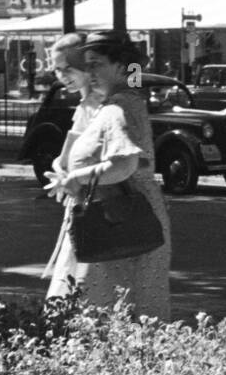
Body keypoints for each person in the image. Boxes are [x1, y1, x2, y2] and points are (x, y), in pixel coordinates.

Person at [41, 30, 171, 320]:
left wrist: (75, 179)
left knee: (104, 310)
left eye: (96, 63)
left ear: (121, 65)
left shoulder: (119, 107)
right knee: (114, 308)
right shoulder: (115, 104)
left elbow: (124, 165)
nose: (90, 72)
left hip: (116, 220)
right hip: (115, 217)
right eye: (87, 65)